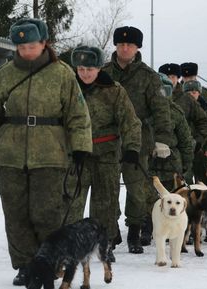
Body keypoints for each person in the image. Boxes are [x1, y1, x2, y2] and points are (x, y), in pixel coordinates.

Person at [0, 18, 93, 286]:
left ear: (44, 43)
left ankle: (49, 262)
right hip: (10, 156)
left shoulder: (63, 74)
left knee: (46, 213)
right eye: (21, 46)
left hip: (51, 154)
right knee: (15, 213)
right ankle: (25, 265)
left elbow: (78, 115)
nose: (26, 51)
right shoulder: (2, 76)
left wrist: (81, 146)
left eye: (31, 46)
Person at [66, 45, 142, 262]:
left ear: (99, 68)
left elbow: (130, 122)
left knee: (105, 204)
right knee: (72, 202)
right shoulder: (68, 89)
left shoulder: (114, 90)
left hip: (106, 156)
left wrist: (132, 148)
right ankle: (71, 244)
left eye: (90, 68)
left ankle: (105, 244)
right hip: (76, 156)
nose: (86, 73)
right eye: (81, 68)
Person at [103, 26, 173, 254]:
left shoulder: (148, 76)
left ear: (137, 48)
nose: (125, 48)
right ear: (115, 46)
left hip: (140, 139)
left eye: (130, 45)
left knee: (137, 189)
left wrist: (162, 140)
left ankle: (134, 231)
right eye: (121, 44)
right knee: (108, 187)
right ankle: (110, 233)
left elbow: (162, 109)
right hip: (107, 139)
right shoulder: (103, 73)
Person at [141, 73, 194, 246]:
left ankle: (174, 231)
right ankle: (144, 230)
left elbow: (185, 140)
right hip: (149, 159)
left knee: (172, 197)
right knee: (146, 195)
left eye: (166, 90)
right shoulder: (144, 112)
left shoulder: (176, 113)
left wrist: (186, 164)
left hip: (171, 161)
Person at [183, 80, 207, 184]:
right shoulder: (179, 109)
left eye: (194, 92)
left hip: (203, 152)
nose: (191, 95)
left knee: (204, 182)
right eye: (188, 93)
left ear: (199, 93)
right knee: (185, 180)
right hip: (185, 151)